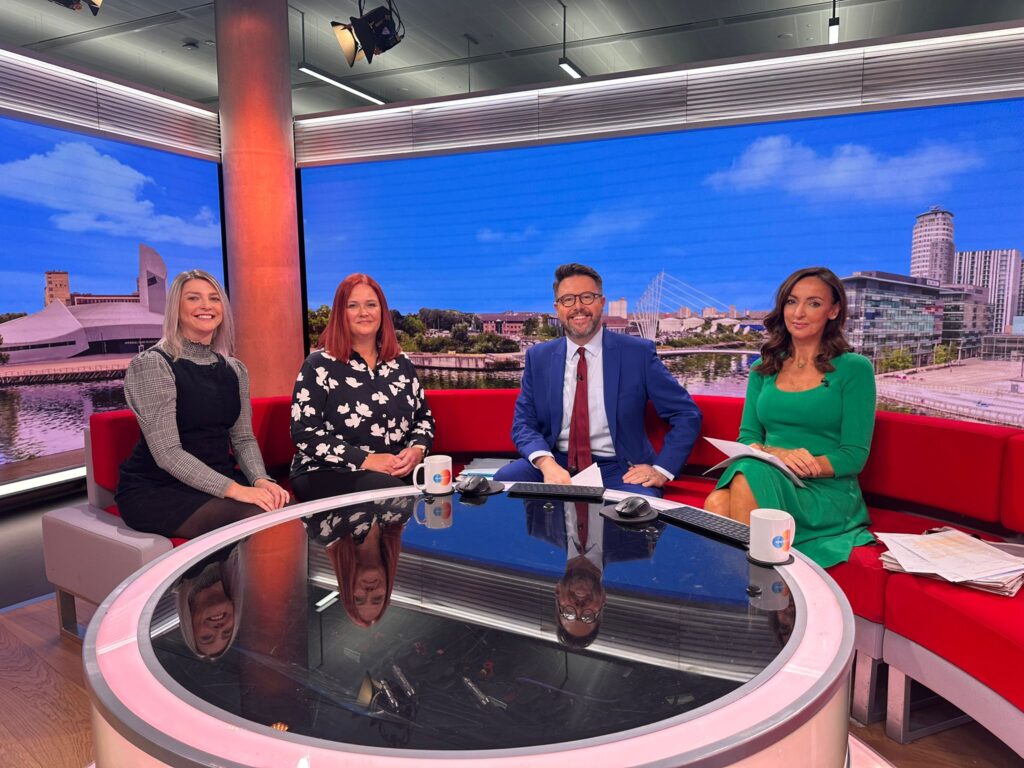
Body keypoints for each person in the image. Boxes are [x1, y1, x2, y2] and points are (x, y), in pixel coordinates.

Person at [704, 266, 876, 568]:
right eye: (791, 301)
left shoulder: (855, 369)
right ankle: (746, 593)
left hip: (824, 489)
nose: (799, 312)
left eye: (814, 303)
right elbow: (748, 438)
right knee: (718, 500)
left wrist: (799, 466)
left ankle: (750, 593)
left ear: (833, 311)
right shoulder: (764, 368)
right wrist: (779, 456)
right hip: (770, 472)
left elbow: (854, 456)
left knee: (744, 480)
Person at [494, 263, 702, 496]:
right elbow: (524, 423)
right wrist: (546, 463)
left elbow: (686, 414)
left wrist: (662, 469)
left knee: (640, 508)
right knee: (501, 484)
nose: (578, 307)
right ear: (558, 308)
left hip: (619, 468)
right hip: (556, 461)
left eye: (587, 297)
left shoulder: (638, 354)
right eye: (568, 300)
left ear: (602, 302)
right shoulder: (539, 357)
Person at [116, 270, 289, 538]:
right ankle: (203, 580)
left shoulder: (235, 369)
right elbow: (168, 454)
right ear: (176, 308)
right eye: (194, 298)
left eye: (214, 299)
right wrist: (237, 490)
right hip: (159, 489)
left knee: (282, 509)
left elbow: (243, 438)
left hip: (219, 478)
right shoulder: (153, 364)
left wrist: (259, 479)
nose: (206, 306)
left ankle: (219, 580)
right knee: (259, 520)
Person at [289, 274, 435, 501]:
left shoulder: (401, 362)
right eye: (353, 306)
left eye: (371, 305)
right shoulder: (318, 365)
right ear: (340, 313)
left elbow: (423, 418)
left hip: (393, 468)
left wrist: (417, 450)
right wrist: (366, 460)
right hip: (328, 470)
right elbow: (305, 434)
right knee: (392, 492)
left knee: (442, 487)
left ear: (382, 311)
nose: (363, 313)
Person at [525, 499, 660, 648]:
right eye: (588, 617)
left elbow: (531, 479)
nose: (579, 607)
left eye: (568, 614)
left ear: (557, 591)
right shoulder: (639, 545)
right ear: (603, 598)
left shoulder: (539, 526)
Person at [305, 497, 413, 627]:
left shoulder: (323, 530)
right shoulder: (400, 518)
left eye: (359, 599)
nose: (369, 591)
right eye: (377, 598)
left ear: (347, 589)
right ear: (387, 589)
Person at [174, 542, 244, 659]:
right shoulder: (242, 553)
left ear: (189, 626)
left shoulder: (170, 576)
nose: (219, 629)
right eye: (227, 632)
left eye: (207, 638)